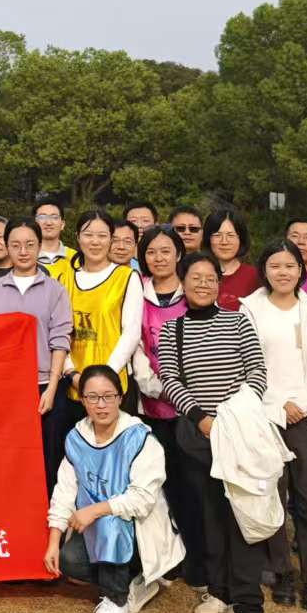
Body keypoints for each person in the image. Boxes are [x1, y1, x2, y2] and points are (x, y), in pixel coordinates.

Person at [157, 251, 269, 613]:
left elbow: (257, 371)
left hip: (239, 435)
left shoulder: (238, 321)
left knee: (241, 516)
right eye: (195, 277)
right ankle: (219, 591)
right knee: (210, 516)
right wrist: (202, 419)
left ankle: (248, 605)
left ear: (219, 284)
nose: (203, 284)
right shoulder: (172, 330)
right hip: (198, 437)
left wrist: (234, 416)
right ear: (183, 283)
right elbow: (170, 380)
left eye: (210, 278)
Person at [45, 364, 184, 613]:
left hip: (137, 532)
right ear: (82, 400)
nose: (101, 405)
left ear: (120, 398)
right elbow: (64, 490)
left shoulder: (140, 438)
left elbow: (142, 500)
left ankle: (116, 601)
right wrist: (53, 540)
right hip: (96, 530)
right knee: (69, 560)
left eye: (108, 396)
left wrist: (96, 510)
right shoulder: (76, 438)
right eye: (93, 397)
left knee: (111, 521)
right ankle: (136, 583)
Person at [240, 240, 307, 613]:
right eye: (275, 265)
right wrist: (277, 406)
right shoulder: (250, 309)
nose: (283, 272)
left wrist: (303, 404)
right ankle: (280, 570)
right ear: (264, 270)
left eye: (290, 266)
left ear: (301, 270)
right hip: (267, 416)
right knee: (272, 498)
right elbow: (246, 363)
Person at [132, 225, 202, 591]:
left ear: (179, 253)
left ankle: (199, 559)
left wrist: (181, 392)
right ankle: (167, 557)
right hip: (150, 403)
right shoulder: (136, 293)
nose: (158, 258)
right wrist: (154, 385)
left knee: (193, 484)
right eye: (151, 252)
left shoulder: (191, 292)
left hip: (192, 407)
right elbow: (136, 345)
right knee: (162, 483)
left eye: (165, 251)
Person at [0, 219, 72, 492]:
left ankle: (50, 514)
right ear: (7, 247)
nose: (23, 251)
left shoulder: (55, 289)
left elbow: (60, 341)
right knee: (11, 457)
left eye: (30, 244)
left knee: (49, 457)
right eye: (16, 245)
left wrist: (52, 388)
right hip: (6, 388)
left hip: (45, 385)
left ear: (40, 246)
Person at [67, 212, 142, 419]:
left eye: (102, 235)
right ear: (78, 237)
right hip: (73, 383)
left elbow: (131, 333)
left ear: (110, 239)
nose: (95, 241)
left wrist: (103, 379)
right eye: (88, 235)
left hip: (114, 382)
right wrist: (70, 373)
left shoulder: (126, 277)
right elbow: (57, 333)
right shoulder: (64, 279)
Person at [206, 208, 259, 310]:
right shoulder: (196, 274)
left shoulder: (255, 277)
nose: (224, 242)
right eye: (217, 235)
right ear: (208, 238)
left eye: (231, 235)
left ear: (241, 239)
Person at [35, 200, 73, 286]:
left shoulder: (76, 258)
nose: (48, 222)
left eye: (54, 217)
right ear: (34, 223)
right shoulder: (24, 257)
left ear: (62, 224)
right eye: (42, 217)